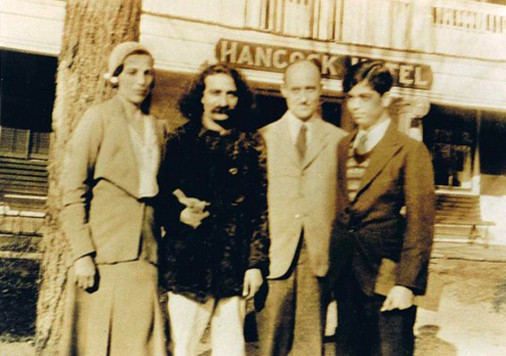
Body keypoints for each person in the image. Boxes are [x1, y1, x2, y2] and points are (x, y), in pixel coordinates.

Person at [60, 42, 167, 356]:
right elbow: (73, 191)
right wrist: (82, 254)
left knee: (138, 347)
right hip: (102, 258)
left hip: (145, 258)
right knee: (96, 345)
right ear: (116, 76)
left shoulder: (158, 128)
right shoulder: (98, 119)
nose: (141, 80)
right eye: (132, 72)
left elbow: (160, 192)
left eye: (148, 73)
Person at [156, 63, 269, 356]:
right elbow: (158, 196)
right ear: (201, 97)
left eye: (231, 94)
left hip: (234, 268)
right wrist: (178, 214)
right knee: (182, 349)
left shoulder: (250, 145)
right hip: (188, 268)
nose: (223, 102)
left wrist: (256, 264)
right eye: (215, 92)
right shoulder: (181, 142)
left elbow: (260, 207)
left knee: (231, 349)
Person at [331, 61, 435, 356]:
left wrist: (407, 284)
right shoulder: (343, 147)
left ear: (386, 99)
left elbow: (421, 224)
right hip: (348, 279)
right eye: (350, 97)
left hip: (388, 279)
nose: (355, 106)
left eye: (364, 97)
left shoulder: (409, 150)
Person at [256, 59, 347, 356]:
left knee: (310, 346)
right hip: (275, 255)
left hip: (318, 258)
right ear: (283, 90)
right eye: (296, 89)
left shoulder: (339, 141)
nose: (304, 97)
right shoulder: (264, 138)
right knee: (270, 342)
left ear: (321, 91)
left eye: (311, 88)